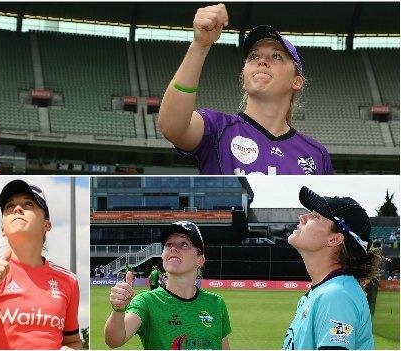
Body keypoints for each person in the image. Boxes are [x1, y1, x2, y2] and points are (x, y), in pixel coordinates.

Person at [158, 4, 333, 175]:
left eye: (277, 56)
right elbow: (171, 127)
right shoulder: (218, 128)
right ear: (244, 79)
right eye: (253, 56)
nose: (262, 61)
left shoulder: (316, 155)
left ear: (296, 82)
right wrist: (200, 45)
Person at [0, 180, 81, 349]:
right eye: (9, 207)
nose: (17, 209)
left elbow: (72, 341)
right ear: (2, 228)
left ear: (46, 224)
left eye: (28, 204)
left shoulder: (68, 280)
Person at [282, 186, 383, 349]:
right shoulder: (324, 293)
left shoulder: (336, 297)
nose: (302, 217)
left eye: (315, 216)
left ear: (334, 240)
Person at [105, 221, 231, 349]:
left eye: (184, 244)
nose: (173, 248)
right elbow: (114, 340)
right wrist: (119, 310)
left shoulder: (216, 303)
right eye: (168, 244)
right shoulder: (146, 302)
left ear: (200, 259)